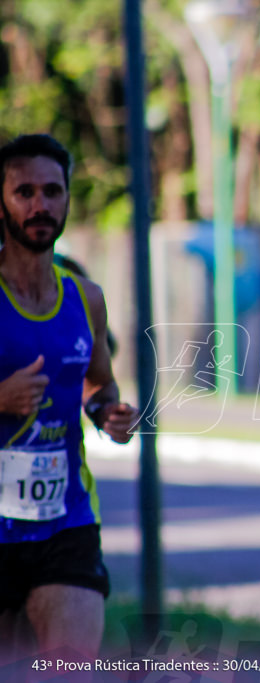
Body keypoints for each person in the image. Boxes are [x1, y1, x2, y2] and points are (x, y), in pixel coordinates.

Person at [0, 134, 138, 660]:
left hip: (66, 522)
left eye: (52, 191)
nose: (40, 205)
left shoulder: (86, 298)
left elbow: (98, 382)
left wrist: (108, 412)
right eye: (24, 192)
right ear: (2, 202)